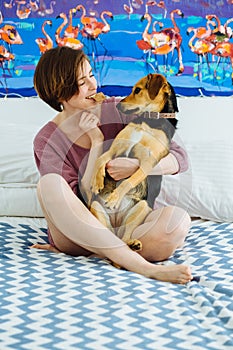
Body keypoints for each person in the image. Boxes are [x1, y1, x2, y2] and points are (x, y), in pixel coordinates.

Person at [32, 46, 192, 284]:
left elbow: (179, 157)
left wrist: (138, 166)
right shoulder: (47, 139)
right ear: (59, 93)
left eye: (91, 75)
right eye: (81, 81)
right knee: (49, 184)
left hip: (130, 222)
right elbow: (79, 202)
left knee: (178, 222)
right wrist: (97, 142)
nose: (93, 85)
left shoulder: (121, 108)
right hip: (79, 233)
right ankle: (144, 267)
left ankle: (108, 252)